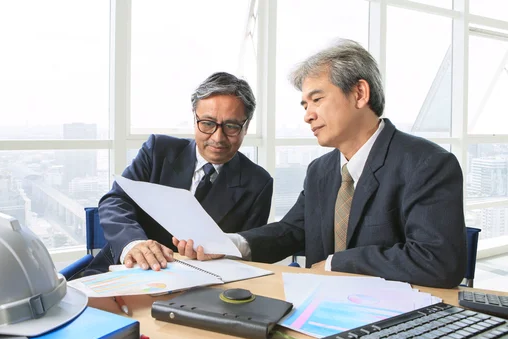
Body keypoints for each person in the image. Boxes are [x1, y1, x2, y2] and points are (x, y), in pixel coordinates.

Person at [175, 39, 466, 289]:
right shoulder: (321, 171)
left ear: (360, 94)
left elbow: (439, 261)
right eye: (304, 105)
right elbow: (290, 231)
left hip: (396, 324)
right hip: (321, 312)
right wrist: (231, 245)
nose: (308, 115)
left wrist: (335, 264)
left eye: (317, 100)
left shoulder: (428, 164)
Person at [81, 72, 273, 275]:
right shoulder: (157, 151)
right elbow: (115, 201)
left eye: (231, 126)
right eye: (207, 123)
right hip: (125, 270)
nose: (218, 138)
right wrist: (134, 243)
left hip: (201, 287)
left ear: (246, 126)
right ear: (194, 117)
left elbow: (246, 258)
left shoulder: (258, 183)